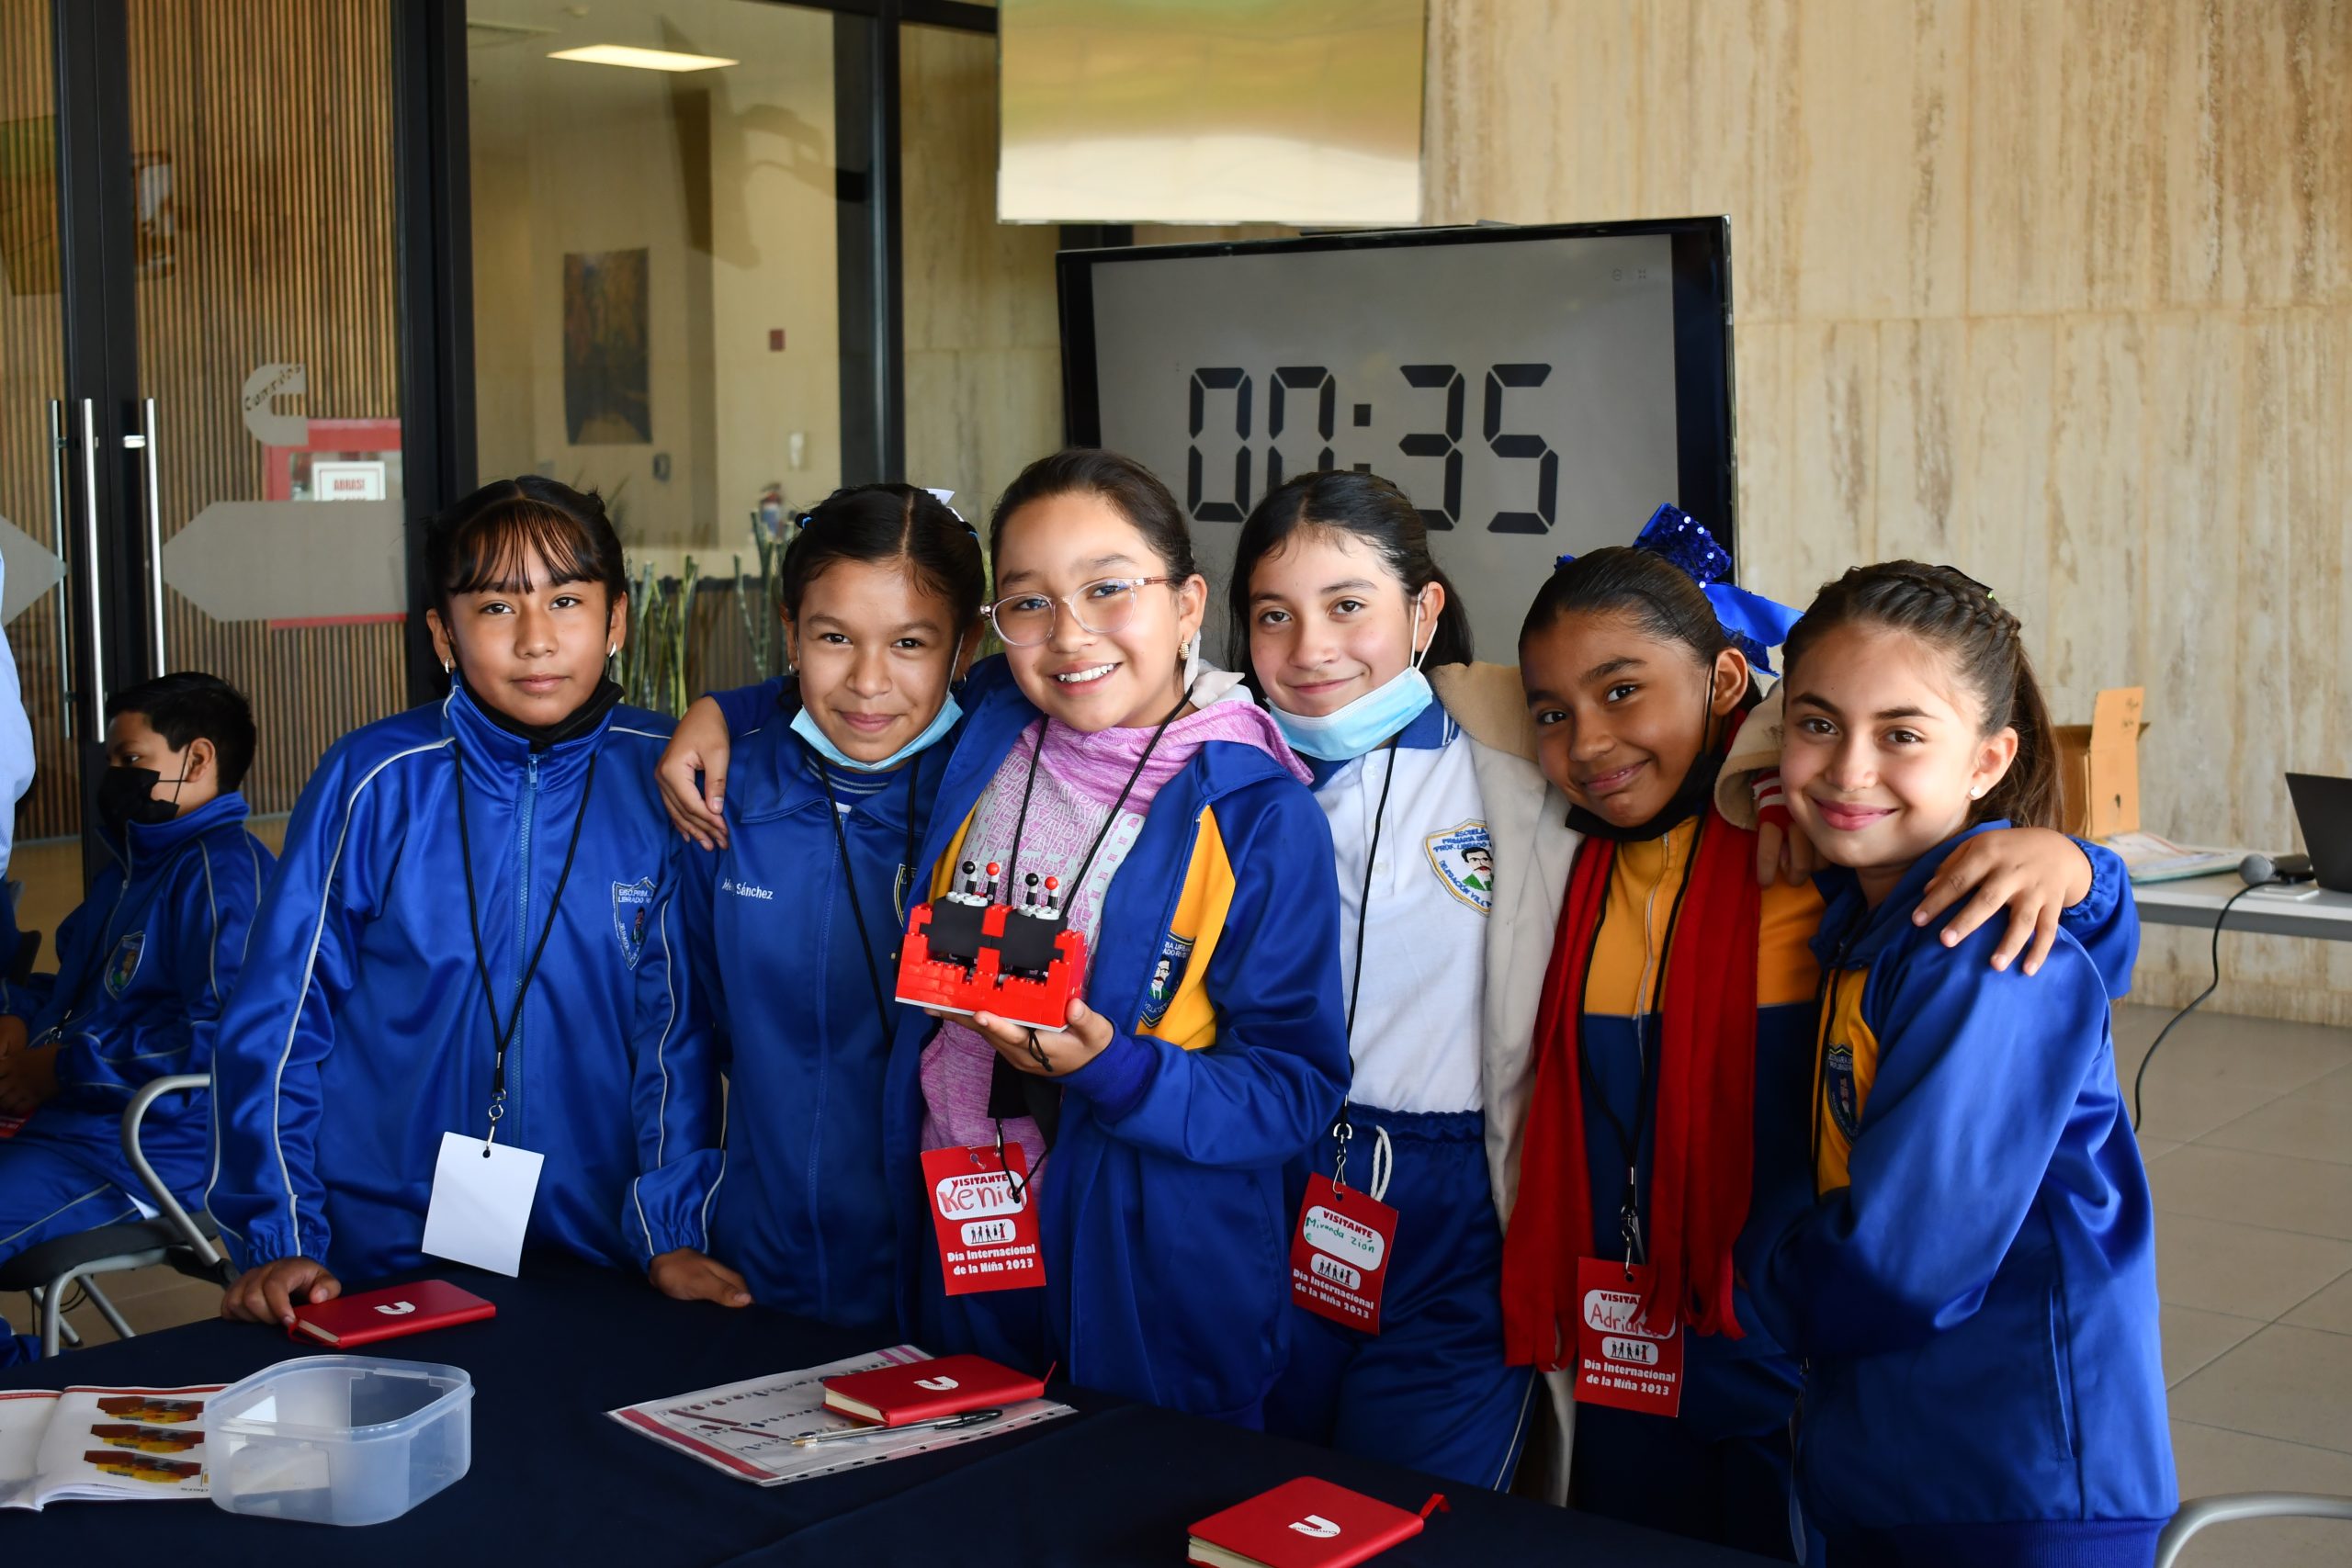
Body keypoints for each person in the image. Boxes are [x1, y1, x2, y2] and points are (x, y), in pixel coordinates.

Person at [1499, 511, 2134, 1551]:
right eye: (1552, 713)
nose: (1590, 741)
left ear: (1724, 687)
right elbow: (1435, 684)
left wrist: (2080, 867)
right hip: (1665, 1347)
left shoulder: (1828, 874)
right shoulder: (1576, 860)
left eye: (1623, 691)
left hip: (1828, 1363)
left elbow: (2043, 943)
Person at [1739, 561, 2170, 1567]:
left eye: (1901, 735)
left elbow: (1900, 1268)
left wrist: (1743, 1270)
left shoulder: (1976, 946)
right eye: (1814, 725)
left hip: (2013, 1479)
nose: (1848, 770)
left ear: (1987, 761)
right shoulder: (1869, 915)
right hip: (1904, 1452)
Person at [901, 449, 1347, 1423]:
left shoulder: (1256, 812)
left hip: (1153, 1260)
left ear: (1188, 604)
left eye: (1108, 589)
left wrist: (1116, 1072)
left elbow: (1292, 1089)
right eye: (1028, 604)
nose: (1068, 636)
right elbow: (851, 693)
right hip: (970, 1200)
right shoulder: (988, 726)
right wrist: (720, 719)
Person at [207, 477, 714, 1325]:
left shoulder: (668, 776)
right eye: (495, 608)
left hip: (606, 1249)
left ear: (617, 620)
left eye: (567, 600)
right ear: (443, 633)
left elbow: (678, 1035)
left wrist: (672, 1228)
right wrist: (282, 1230)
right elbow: (280, 1020)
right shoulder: (374, 780)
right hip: (376, 1249)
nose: (538, 640)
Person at [1228, 469, 1536, 1487]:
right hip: (1274, 1176)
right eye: (1274, 615)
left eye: (1348, 606)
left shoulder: (1517, 754)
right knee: (1252, 1499)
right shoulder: (1218, 761)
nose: (1311, 650)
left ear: (1424, 610)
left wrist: (2052, 855)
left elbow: (1727, 708)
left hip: (1462, 1207)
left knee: (1407, 1518)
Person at [647, 484, 984, 1326]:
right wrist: (670, 1223)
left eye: (910, 642)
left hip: (956, 1265)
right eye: (835, 637)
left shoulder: (1002, 796)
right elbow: (676, 1026)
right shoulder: (725, 797)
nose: (869, 683)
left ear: (965, 646)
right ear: (791, 632)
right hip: (760, 1258)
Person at [0, 674, 268, 1365]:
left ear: (198, 759)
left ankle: (17, 1380)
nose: (113, 777)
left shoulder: (223, 877)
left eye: (129, 759)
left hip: (147, 1152)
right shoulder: (134, 866)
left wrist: (58, 1067)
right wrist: (19, 1020)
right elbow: (75, 990)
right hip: (72, 1125)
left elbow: (221, 1044)